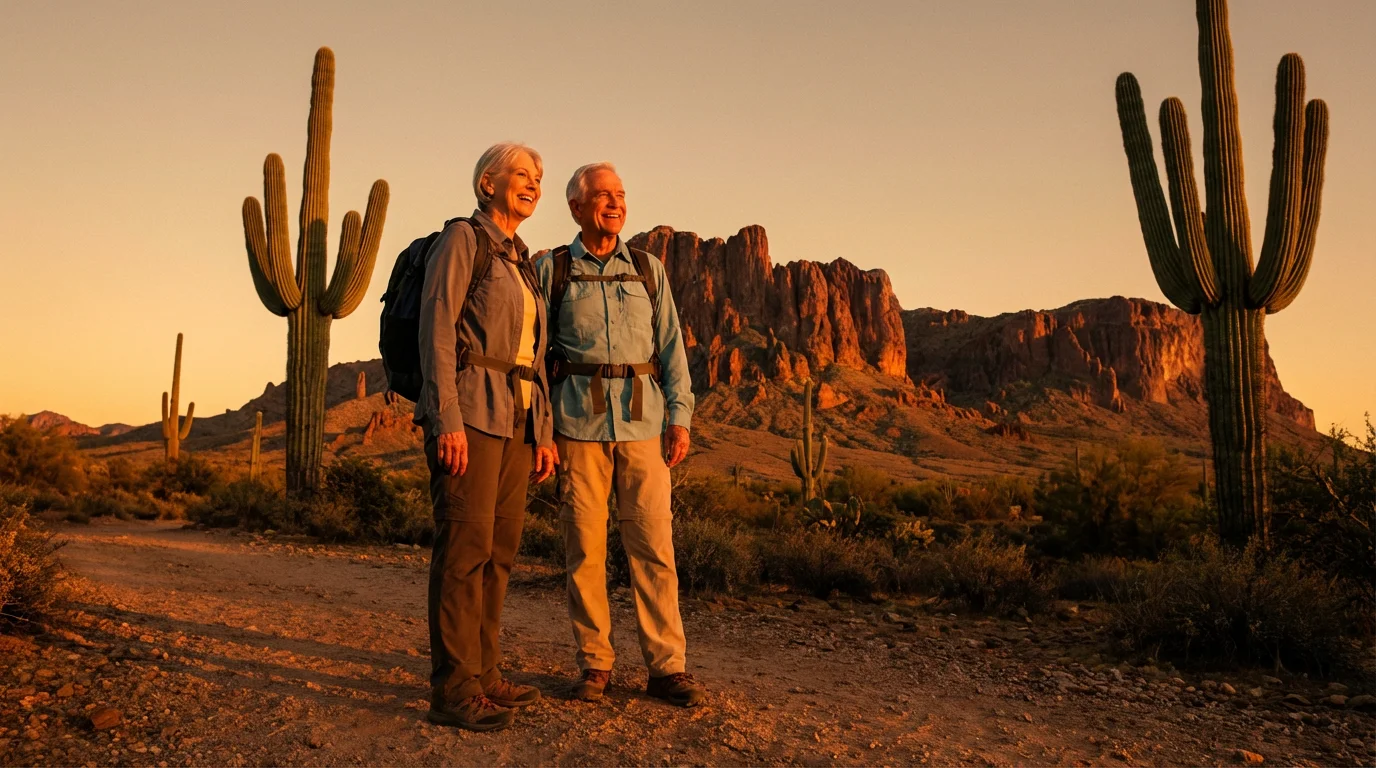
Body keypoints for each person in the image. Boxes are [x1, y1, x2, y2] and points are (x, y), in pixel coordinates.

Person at [534, 162, 705, 707]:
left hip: (645, 426)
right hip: (576, 427)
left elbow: (672, 348)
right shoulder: (552, 269)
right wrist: (540, 428)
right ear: (576, 207)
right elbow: (534, 356)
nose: (614, 202)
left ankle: (666, 668)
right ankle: (595, 664)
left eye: (620, 194)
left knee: (654, 547)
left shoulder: (649, 271)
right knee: (584, 547)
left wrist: (680, 418)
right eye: (602, 194)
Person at [415, 142, 558, 731]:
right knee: (464, 552)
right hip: (471, 414)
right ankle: (453, 689)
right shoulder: (463, 241)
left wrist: (543, 432)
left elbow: (535, 356)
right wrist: (444, 416)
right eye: (521, 174)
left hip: (519, 422)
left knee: (499, 555)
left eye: (539, 178)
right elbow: (438, 326)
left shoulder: (522, 261)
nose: (533, 183)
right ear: (486, 183)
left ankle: (486, 673)